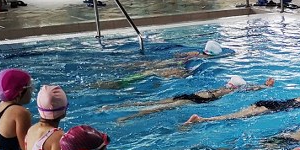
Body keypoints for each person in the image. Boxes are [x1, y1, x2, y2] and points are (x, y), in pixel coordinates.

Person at [109, 75, 276, 124]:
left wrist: (263, 85)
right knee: (157, 108)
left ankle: (113, 107)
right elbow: (251, 88)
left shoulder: (223, 87)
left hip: (191, 95)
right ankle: (128, 117)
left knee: (154, 103)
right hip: (195, 101)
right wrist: (265, 86)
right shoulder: (230, 91)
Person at [183, 82, 300, 125]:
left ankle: (204, 119)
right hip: (272, 109)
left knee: (236, 114)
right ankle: (203, 120)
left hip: (270, 102)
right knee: (235, 117)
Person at [95, 41, 231, 90]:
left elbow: (177, 55)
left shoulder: (194, 52)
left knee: (148, 66)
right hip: (178, 69)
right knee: (149, 73)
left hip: (175, 63)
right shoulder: (203, 60)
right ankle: (119, 83)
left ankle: (118, 67)